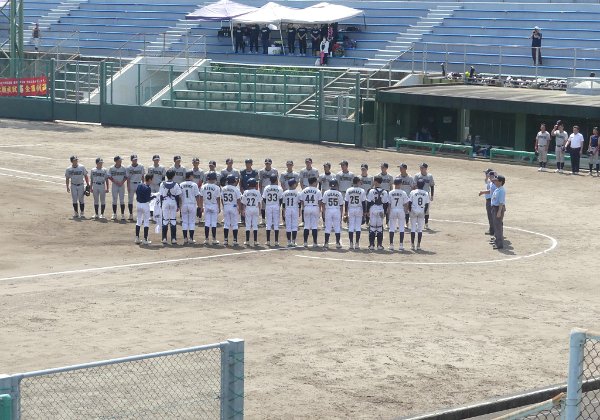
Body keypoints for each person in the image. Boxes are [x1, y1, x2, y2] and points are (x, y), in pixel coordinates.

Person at [159, 169, 182, 245]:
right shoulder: (176, 184)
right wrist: (178, 205)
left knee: (165, 220)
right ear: (173, 176)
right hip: (173, 202)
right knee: (173, 220)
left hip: (165, 202)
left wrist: (161, 205)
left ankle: (164, 238)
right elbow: (177, 196)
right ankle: (173, 239)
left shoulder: (162, 184)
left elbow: (161, 196)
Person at [366, 176, 389, 251]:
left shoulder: (371, 191)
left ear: (376, 182)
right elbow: (386, 203)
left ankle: (371, 245)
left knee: (372, 228)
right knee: (379, 228)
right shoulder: (385, 192)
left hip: (373, 209)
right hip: (381, 209)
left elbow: (369, 202)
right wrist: (384, 212)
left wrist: (367, 211)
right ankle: (379, 245)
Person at [344, 177, 366, 250]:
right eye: (359, 182)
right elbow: (363, 202)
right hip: (359, 209)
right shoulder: (362, 190)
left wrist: (346, 211)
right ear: (357, 182)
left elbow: (346, 202)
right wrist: (364, 212)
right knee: (358, 227)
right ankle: (357, 243)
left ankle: (351, 243)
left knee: (351, 227)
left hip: (351, 209)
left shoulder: (348, 190)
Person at [388, 178, 410, 251]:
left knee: (392, 228)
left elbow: (389, 204)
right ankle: (401, 245)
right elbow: (406, 204)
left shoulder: (390, 192)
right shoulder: (403, 193)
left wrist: (389, 213)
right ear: (400, 184)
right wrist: (405, 211)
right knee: (401, 228)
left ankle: (391, 245)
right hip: (401, 210)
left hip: (393, 210)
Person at [299, 176, 322, 247]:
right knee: (314, 226)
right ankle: (315, 243)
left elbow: (301, 200)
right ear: (314, 182)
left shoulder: (304, 190)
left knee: (306, 226)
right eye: (316, 182)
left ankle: (305, 242)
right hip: (315, 207)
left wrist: (304, 207)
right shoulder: (317, 191)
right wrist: (319, 209)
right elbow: (320, 201)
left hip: (306, 207)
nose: (317, 183)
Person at [199, 171, 221, 244]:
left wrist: (201, 206)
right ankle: (214, 239)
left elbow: (201, 197)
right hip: (214, 205)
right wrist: (219, 207)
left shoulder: (203, 187)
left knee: (207, 223)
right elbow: (218, 198)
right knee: (214, 223)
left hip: (206, 205)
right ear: (214, 179)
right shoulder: (217, 187)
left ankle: (206, 239)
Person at [180, 171, 201, 244]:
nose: (193, 177)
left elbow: (179, 196)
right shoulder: (194, 184)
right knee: (192, 222)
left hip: (184, 204)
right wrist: (199, 206)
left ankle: (185, 238)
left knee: (184, 222)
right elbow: (197, 196)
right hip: (192, 205)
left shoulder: (181, 184)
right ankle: (191, 238)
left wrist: (180, 205)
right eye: (192, 176)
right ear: (190, 176)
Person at [321, 180, 344, 248]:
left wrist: (323, 212)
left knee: (328, 227)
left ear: (329, 185)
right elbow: (341, 205)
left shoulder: (326, 192)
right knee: (337, 227)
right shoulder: (339, 193)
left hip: (328, 210)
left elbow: (323, 203)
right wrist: (341, 214)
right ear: (336, 185)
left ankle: (326, 243)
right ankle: (337, 243)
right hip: (336, 210)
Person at [408, 179, 430, 251]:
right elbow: (427, 204)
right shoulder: (426, 193)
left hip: (414, 211)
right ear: (423, 185)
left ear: (417, 185)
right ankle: (418, 245)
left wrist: (410, 210)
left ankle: (412, 245)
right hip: (421, 211)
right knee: (420, 229)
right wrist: (424, 212)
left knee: (413, 228)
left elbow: (410, 202)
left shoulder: (413, 192)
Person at [262, 174, 283, 246]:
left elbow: (264, 198)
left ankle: (268, 241)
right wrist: (278, 205)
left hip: (268, 206)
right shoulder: (279, 188)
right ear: (276, 180)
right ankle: (276, 241)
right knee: (276, 224)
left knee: (268, 224)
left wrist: (268, 203)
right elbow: (281, 199)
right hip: (276, 206)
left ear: (270, 180)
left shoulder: (266, 188)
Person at [221, 175, 242, 246]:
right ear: (234, 181)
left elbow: (222, 198)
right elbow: (238, 200)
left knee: (226, 224)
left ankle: (225, 240)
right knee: (234, 224)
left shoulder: (223, 188)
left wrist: (224, 206)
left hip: (226, 206)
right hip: (233, 207)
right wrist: (240, 208)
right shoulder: (236, 189)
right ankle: (235, 240)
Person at [413, 163, 435, 229]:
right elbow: (414, 185)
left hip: (426, 194)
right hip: (418, 194)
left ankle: (426, 223)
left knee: (426, 210)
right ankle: (417, 223)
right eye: (420, 167)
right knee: (417, 208)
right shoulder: (417, 175)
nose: (421, 169)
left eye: (422, 168)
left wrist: (432, 195)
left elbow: (432, 186)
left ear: (426, 168)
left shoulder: (430, 176)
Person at [241, 177, 261, 246]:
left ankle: (247, 241)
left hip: (248, 209)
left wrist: (243, 210)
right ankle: (255, 241)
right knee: (255, 225)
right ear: (255, 184)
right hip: (255, 208)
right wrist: (259, 210)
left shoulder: (245, 192)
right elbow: (259, 202)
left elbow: (243, 203)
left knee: (248, 225)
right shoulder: (257, 192)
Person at [134, 174, 153, 245]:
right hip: (145, 205)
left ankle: (137, 238)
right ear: (149, 179)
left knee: (138, 221)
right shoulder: (148, 188)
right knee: (146, 222)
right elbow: (148, 199)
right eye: (151, 180)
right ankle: (145, 239)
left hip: (138, 204)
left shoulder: (139, 185)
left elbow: (137, 193)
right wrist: (153, 197)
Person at [258, 158, 278, 225]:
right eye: (266, 163)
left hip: (272, 189)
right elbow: (260, 181)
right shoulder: (261, 171)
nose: (267, 164)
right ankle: (263, 220)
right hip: (264, 188)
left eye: (268, 163)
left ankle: (272, 220)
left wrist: (276, 189)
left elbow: (276, 181)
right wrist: (260, 190)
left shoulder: (274, 171)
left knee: (272, 204)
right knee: (263, 205)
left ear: (271, 163)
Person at [126, 154, 145, 220]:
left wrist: (143, 184)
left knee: (140, 200)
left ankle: (140, 215)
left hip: (139, 184)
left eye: (136, 159)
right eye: (134, 160)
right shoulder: (128, 168)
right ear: (131, 160)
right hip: (131, 184)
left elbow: (142, 176)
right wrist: (128, 186)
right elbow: (128, 178)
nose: (135, 160)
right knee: (130, 200)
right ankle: (131, 214)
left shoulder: (141, 166)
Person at [478, 169, 497, 236]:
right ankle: (492, 230)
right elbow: (486, 181)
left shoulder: (493, 182)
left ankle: (493, 231)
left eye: (487, 173)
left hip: (490, 200)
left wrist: (483, 192)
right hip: (489, 200)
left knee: (491, 216)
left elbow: (491, 191)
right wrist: (487, 176)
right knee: (490, 216)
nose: (485, 174)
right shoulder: (490, 181)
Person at [282, 179, 300, 247]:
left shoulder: (285, 193)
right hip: (295, 209)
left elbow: (283, 204)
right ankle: (294, 242)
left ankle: (289, 242)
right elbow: (299, 203)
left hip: (287, 209)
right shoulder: (297, 193)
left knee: (288, 226)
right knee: (294, 226)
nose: (296, 185)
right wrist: (299, 211)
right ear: (293, 185)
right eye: (295, 184)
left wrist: (283, 212)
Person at [490, 175, 506, 250]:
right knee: (496, 225)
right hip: (494, 208)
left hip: (497, 209)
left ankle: (499, 244)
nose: (495, 182)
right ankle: (496, 241)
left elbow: (501, 202)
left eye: (496, 181)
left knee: (498, 226)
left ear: (500, 182)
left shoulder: (501, 190)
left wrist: (499, 211)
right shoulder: (498, 189)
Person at [109, 155, 128, 221]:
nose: (121, 161)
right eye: (119, 160)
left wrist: (122, 182)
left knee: (122, 200)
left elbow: (126, 176)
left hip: (121, 185)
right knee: (114, 200)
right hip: (114, 185)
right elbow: (109, 176)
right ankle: (114, 214)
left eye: (121, 160)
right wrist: (115, 182)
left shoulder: (123, 168)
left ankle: (122, 215)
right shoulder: (111, 168)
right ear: (116, 161)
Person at [397, 163, 415, 227]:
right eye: (400, 168)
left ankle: (407, 223)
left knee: (406, 211)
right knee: (399, 210)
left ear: (405, 169)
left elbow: (413, 188)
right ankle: (400, 223)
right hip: (399, 196)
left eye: (401, 168)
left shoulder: (410, 178)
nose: (400, 169)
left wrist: (412, 197)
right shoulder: (398, 177)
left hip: (407, 196)